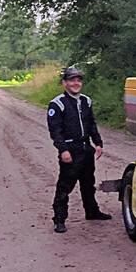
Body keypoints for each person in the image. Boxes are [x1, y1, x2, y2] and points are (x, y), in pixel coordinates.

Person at [47, 66, 111, 233]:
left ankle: (92, 212)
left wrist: (98, 143)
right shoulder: (57, 104)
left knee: (88, 183)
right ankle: (59, 219)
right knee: (65, 186)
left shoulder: (86, 101)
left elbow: (91, 124)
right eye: (71, 80)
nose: (76, 83)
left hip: (86, 148)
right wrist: (63, 150)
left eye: (78, 80)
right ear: (64, 83)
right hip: (70, 149)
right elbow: (55, 131)